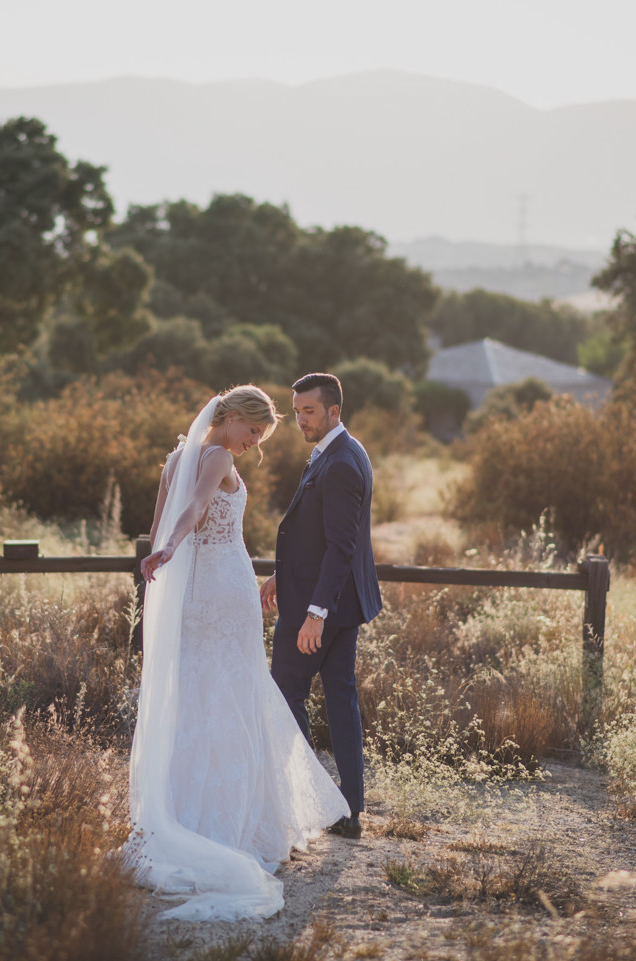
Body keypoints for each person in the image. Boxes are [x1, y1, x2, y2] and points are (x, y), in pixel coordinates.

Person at [129, 385, 349, 921]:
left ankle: (188, 815)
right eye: (252, 431)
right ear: (228, 419)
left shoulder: (175, 458)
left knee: (201, 691)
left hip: (192, 597)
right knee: (232, 689)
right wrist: (174, 544)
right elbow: (198, 508)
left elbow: (166, 518)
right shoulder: (217, 455)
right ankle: (233, 824)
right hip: (224, 589)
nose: (254, 443)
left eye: (260, 436)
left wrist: (166, 549)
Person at [259, 372, 382, 840]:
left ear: (333, 411)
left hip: (323, 609)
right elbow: (317, 537)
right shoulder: (342, 451)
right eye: (295, 412)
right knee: (340, 697)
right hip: (332, 601)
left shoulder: (343, 463)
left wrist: (315, 613)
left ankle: (316, 797)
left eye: (308, 411)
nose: (299, 420)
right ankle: (349, 810)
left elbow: (341, 546)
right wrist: (281, 574)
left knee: (285, 690)